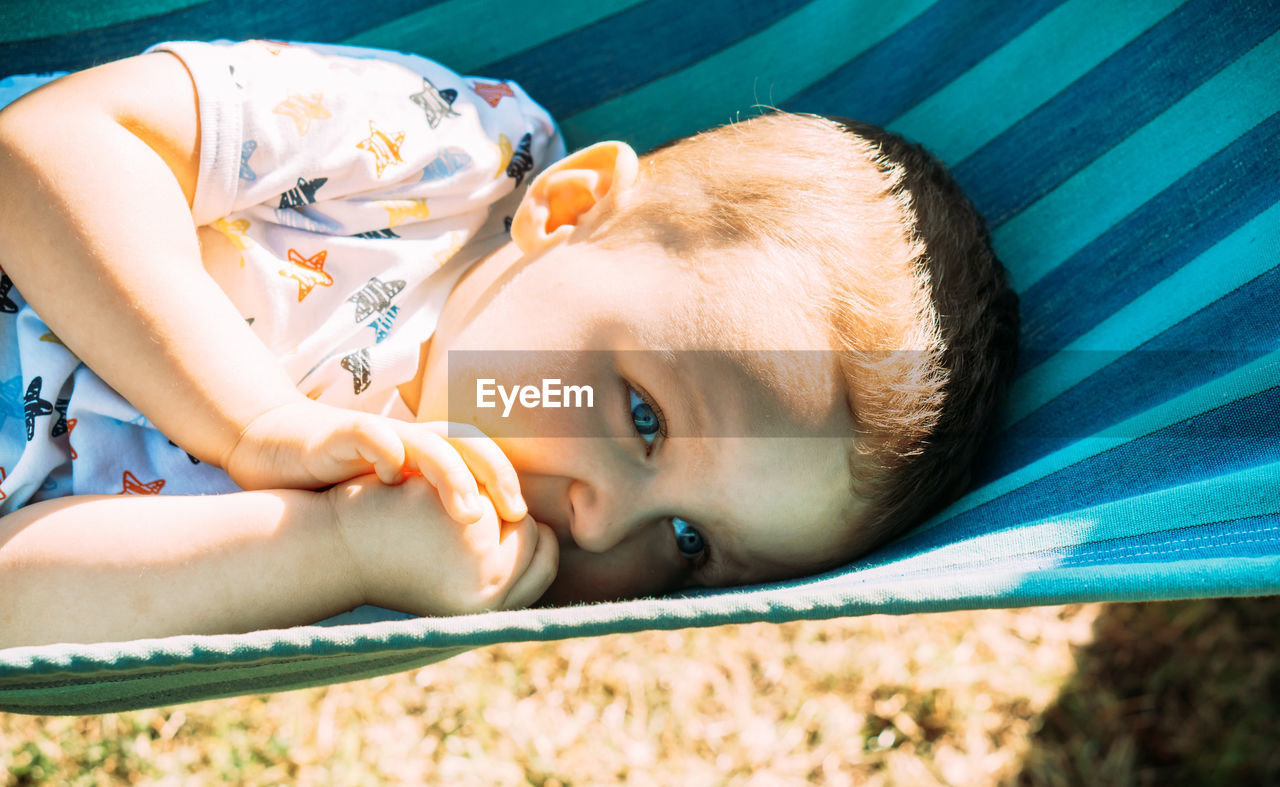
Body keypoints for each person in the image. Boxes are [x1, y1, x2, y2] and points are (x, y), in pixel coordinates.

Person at [0, 41, 1018, 647]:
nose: (604, 521)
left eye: (692, 547)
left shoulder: (418, 556)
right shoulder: (441, 160)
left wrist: (333, 546)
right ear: (569, 210)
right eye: (642, 415)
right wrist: (248, 422)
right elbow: (49, 147)